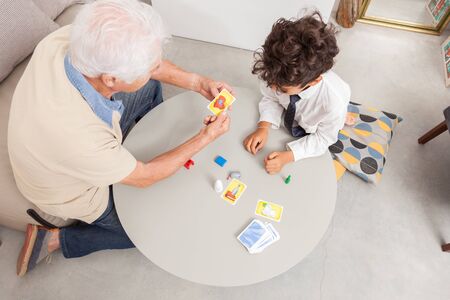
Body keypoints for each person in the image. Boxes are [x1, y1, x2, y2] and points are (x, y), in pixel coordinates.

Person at [8, 0, 232, 276]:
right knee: (147, 231)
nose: (154, 68)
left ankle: (148, 145)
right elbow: (146, 176)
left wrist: (198, 82)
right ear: (111, 79)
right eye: (148, 66)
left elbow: (149, 69)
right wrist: (205, 137)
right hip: (72, 187)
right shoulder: (79, 138)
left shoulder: (73, 40)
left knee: (148, 88)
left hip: (73, 142)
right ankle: (56, 239)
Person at [243, 11, 351, 174]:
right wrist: (263, 127)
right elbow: (270, 98)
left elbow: (322, 139)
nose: (272, 88)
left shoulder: (332, 103)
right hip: (302, 108)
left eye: (282, 89)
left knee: (336, 119)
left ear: (313, 82)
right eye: (271, 82)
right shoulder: (276, 72)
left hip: (323, 116)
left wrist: (288, 156)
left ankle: (343, 117)